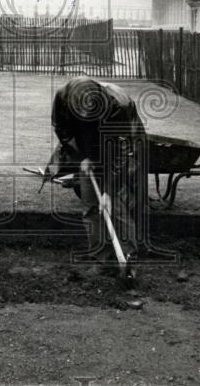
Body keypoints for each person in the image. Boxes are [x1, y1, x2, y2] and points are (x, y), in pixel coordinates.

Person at [49, 76, 146, 281]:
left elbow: (120, 150)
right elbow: (63, 131)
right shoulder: (63, 98)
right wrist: (81, 157)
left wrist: (109, 192)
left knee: (116, 205)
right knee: (91, 206)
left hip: (121, 145)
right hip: (87, 148)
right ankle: (103, 260)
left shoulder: (118, 106)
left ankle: (129, 257)